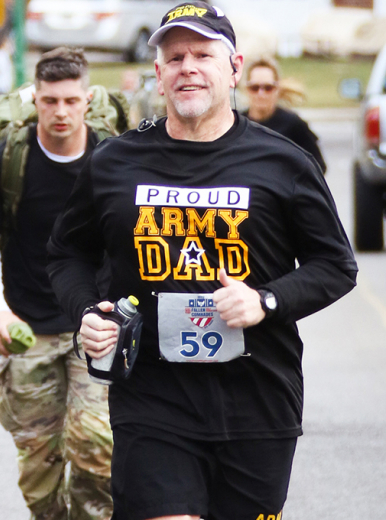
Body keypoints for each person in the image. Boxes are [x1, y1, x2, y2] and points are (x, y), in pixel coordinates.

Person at [46, 3, 358, 520]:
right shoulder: (115, 161)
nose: (187, 66)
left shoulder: (283, 162)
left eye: (202, 55)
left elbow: (335, 264)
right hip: (152, 396)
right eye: (175, 57)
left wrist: (265, 300)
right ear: (159, 75)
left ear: (234, 67)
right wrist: (87, 312)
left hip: (258, 398)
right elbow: (67, 252)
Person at [0, 47, 114, 519]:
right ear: (35, 101)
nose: (61, 112)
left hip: (99, 326)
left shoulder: (114, 159)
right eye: (50, 101)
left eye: (71, 100)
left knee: (95, 447)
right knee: (39, 470)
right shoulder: (4, 162)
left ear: (88, 99)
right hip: (29, 328)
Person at [242, 56, 327, 173]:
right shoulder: (236, 124)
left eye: (268, 88)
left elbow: (318, 167)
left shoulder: (293, 124)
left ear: (277, 89)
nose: (261, 94)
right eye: (254, 88)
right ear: (246, 89)